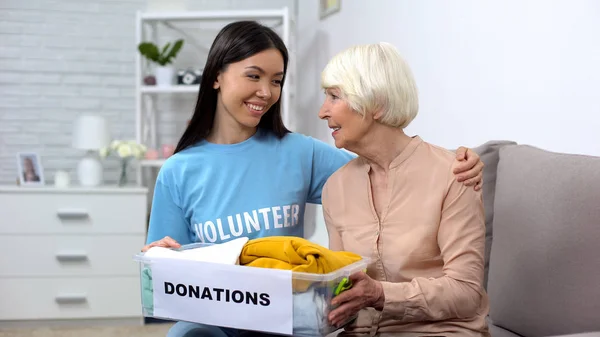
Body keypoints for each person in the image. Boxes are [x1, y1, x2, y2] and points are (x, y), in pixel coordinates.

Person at [141, 21, 484, 337]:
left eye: (276, 80)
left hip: (289, 320)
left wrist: (463, 162)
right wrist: (159, 260)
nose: (265, 92)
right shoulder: (178, 171)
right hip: (218, 321)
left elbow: (387, 163)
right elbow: (166, 282)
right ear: (216, 76)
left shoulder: (302, 153)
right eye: (253, 76)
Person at [319, 42, 490, 337]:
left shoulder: (453, 174)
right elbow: (340, 287)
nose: (323, 112)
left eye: (335, 96)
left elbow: (465, 292)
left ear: (377, 103)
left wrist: (380, 295)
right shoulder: (336, 188)